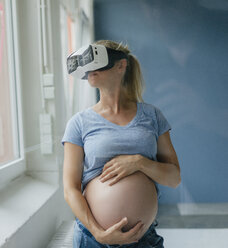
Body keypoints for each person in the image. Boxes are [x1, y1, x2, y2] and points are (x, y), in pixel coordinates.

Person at [62, 40, 181, 248]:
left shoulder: (153, 116)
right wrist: (99, 233)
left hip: (143, 239)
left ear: (121, 66)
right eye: (87, 66)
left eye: (97, 64)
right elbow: (70, 188)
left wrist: (139, 162)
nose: (91, 70)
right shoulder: (78, 123)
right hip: (94, 239)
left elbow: (174, 178)